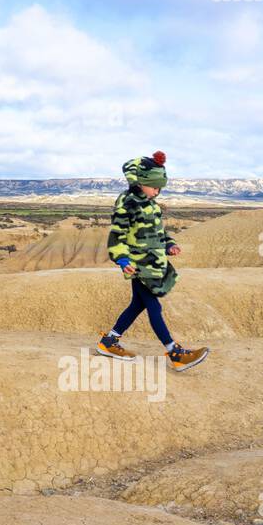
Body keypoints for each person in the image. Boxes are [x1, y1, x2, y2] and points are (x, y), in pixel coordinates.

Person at [96, 151, 209, 371]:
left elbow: (159, 232)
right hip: (139, 264)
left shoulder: (151, 205)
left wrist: (169, 244)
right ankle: (175, 353)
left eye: (160, 188)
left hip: (154, 262)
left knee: (137, 304)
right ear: (140, 183)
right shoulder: (127, 204)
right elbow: (116, 235)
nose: (157, 192)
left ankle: (108, 342)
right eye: (154, 187)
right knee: (153, 306)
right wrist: (121, 258)